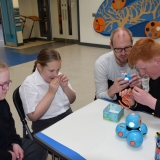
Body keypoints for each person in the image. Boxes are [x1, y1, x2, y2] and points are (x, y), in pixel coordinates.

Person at [19, 48, 76, 133]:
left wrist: (65, 87)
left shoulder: (58, 75)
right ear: (39, 67)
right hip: (45, 124)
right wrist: (51, 92)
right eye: (51, 70)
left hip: (67, 115)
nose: (56, 74)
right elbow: (33, 117)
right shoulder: (29, 85)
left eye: (58, 70)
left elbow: (72, 100)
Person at [0, 61, 47, 160]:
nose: (7, 88)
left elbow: (10, 128)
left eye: (9, 83)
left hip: (8, 145)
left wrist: (15, 143)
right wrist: (8, 156)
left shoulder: (2, 102)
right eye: (4, 84)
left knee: (39, 148)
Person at [94, 27, 148, 103]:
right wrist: (111, 91)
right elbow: (99, 96)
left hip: (134, 104)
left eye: (127, 48)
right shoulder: (102, 63)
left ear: (132, 43)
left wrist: (141, 88)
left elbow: (148, 93)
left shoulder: (140, 62)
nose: (123, 53)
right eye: (118, 49)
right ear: (111, 46)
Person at [119, 37, 160, 117]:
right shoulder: (154, 78)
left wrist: (151, 101)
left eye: (144, 68)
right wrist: (134, 103)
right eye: (139, 69)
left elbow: (153, 104)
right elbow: (151, 108)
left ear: (158, 61)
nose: (141, 73)